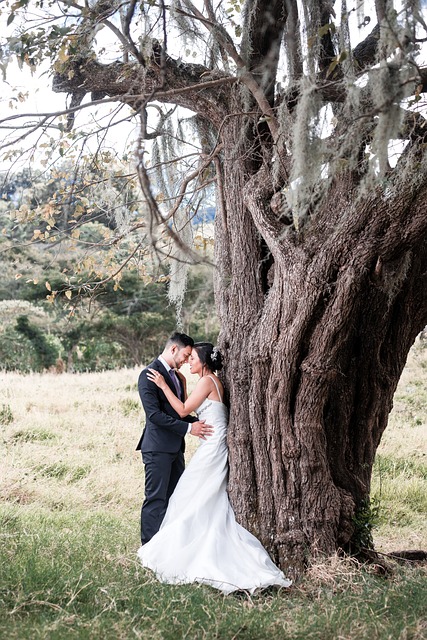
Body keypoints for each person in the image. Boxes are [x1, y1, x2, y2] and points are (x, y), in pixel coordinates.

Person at [137, 342, 292, 594]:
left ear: (204, 362)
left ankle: (175, 546)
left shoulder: (207, 382)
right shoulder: (211, 382)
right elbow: (196, 408)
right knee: (197, 494)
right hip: (213, 442)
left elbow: (184, 410)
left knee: (187, 495)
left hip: (211, 446)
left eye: (193, 358)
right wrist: (184, 387)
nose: (189, 362)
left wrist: (165, 386)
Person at [137, 332, 214, 545]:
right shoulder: (149, 375)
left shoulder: (177, 377)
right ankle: (149, 547)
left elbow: (177, 411)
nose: (186, 360)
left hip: (175, 448)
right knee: (156, 499)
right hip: (157, 448)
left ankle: (169, 544)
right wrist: (189, 428)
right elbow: (155, 415)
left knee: (176, 497)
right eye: (185, 355)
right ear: (173, 349)